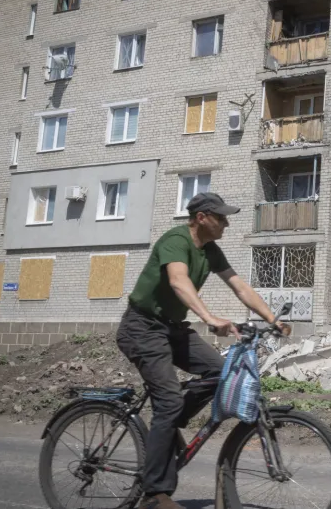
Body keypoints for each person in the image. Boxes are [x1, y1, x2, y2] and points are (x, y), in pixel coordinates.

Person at [116, 192, 277, 509]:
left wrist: (273, 319)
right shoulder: (175, 241)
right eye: (222, 217)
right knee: (169, 401)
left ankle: (170, 421)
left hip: (172, 328)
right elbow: (178, 281)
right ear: (202, 217)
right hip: (142, 328)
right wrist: (209, 317)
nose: (227, 223)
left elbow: (239, 286)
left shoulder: (211, 251)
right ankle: (154, 494)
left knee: (221, 373)